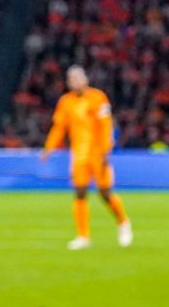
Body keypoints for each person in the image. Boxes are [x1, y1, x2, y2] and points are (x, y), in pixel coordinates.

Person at [41, 65, 132, 250]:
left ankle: (123, 222)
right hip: (79, 155)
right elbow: (59, 127)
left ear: (85, 79)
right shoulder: (65, 102)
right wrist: (48, 148)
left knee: (105, 194)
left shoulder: (98, 98)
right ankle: (83, 236)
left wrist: (106, 151)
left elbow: (106, 126)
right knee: (80, 192)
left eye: (78, 78)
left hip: (98, 154)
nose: (75, 82)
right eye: (71, 79)